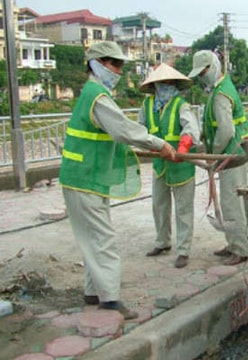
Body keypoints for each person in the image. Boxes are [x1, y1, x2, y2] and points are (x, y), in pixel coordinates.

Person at [59, 41, 176, 320]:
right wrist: (159, 144)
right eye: (114, 64)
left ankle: (93, 292)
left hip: (84, 177)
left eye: (121, 65)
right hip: (84, 178)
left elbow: (115, 134)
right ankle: (110, 300)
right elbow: (123, 130)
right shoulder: (97, 96)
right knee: (103, 240)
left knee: (91, 237)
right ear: (97, 63)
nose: (119, 70)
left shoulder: (92, 93)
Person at [188, 50, 248, 266]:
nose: (202, 76)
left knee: (232, 203)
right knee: (231, 202)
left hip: (231, 154)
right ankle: (234, 243)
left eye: (204, 71)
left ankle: (241, 249)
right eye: (199, 73)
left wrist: (212, 154)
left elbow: (226, 132)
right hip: (232, 154)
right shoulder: (220, 90)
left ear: (214, 66)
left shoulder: (222, 94)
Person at [138, 64, 200, 269]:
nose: (166, 87)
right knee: (159, 206)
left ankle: (183, 250)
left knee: (183, 209)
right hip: (160, 164)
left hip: (181, 165)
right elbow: (139, 130)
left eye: (169, 83)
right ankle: (162, 242)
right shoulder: (147, 106)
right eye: (162, 83)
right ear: (155, 86)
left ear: (174, 85)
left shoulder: (181, 105)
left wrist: (184, 145)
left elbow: (191, 127)